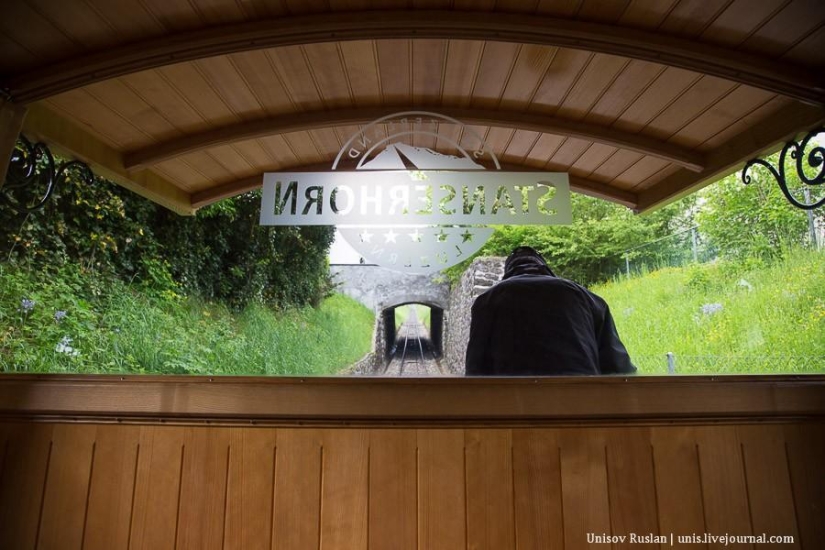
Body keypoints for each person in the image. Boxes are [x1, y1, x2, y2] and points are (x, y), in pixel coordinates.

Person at [465, 246, 636, 376]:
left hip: (512, 407)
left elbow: (475, 369)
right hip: (581, 402)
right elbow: (618, 367)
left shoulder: (486, 302)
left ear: (508, 272)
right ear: (545, 267)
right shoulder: (585, 297)